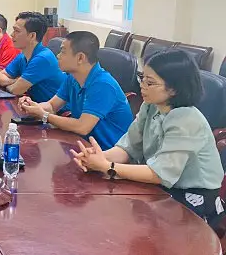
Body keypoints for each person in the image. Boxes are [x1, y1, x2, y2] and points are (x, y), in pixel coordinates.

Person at [71, 50, 224, 227]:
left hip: (193, 194)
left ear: (174, 89)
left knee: (136, 222)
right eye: (142, 78)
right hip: (162, 184)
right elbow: (128, 147)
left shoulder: (186, 119)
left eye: (150, 82)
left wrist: (108, 167)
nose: (142, 86)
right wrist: (97, 158)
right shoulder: (150, 106)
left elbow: (161, 174)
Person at [19, 31, 133, 150]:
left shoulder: (103, 85)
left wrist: (44, 115)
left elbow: (82, 127)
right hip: (81, 144)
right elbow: (52, 105)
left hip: (106, 153)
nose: (58, 56)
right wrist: (32, 106)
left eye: (63, 52)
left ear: (80, 58)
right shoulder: (72, 78)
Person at [0, 11, 64, 102]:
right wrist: (16, 81)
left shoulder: (42, 58)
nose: (12, 34)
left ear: (32, 36)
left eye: (17, 31)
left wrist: (15, 84)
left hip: (57, 109)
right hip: (36, 105)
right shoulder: (22, 56)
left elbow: (16, 90)